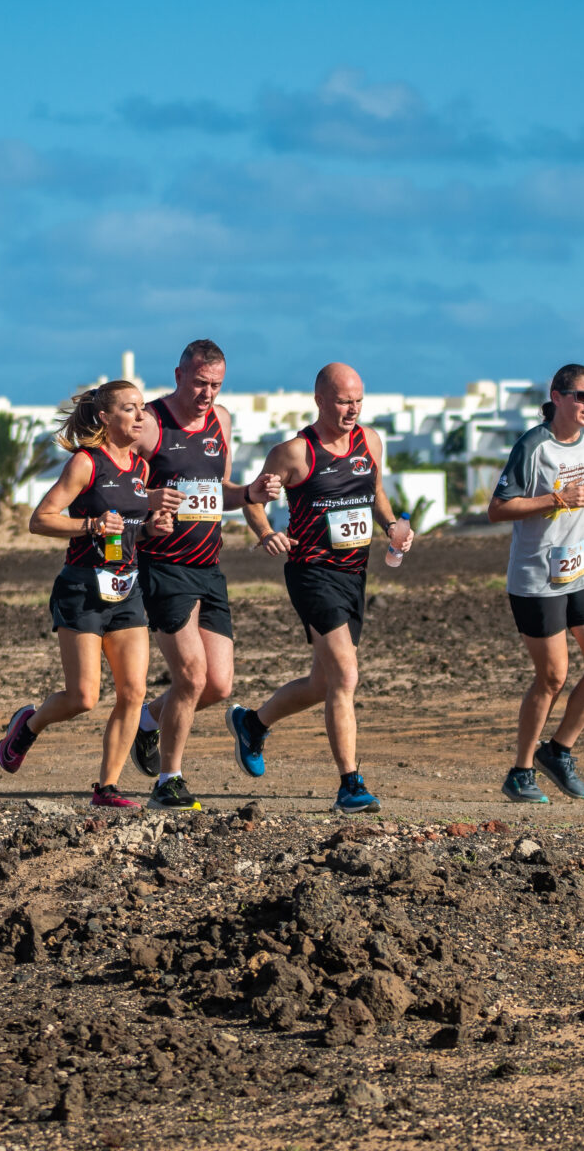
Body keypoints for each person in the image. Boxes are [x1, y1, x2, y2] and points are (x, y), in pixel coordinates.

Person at [226, 363, 415, 814]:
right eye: (344, 401)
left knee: (322, 682)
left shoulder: (370, 441)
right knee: (346, 676)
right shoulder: (294, 453)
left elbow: (375, 491)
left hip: (354, 573)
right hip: (312, 572)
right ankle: (350, 785)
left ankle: (253, 724)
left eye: (359, 401)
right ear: (320, 401)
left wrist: (392, 526)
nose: (353, 410)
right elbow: (253, 499)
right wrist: (265, 533)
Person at [0, 380, 171, 809]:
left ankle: (106, 789)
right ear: (106, 417)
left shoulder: (140, 468)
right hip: (82, 590)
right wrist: (91, 525)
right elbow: (41, 519)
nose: (141, 416)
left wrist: (150, 530)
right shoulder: (85, 463)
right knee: (83, 698)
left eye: (142, 408)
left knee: (133, 692)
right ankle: (27, 726)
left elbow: (127, 530)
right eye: (129, 408)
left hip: (127, 589)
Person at [127, 340, 282, 811]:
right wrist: (147, 506)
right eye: (199, 383)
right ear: (178, 376)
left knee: (217, 686)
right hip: (164, 566)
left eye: (215, 385)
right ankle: (168, 781)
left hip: (209, 566)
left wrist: (251, 492)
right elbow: (112, 490)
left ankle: (149, 721)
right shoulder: (150, 425)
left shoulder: (222, 421)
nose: (207, 394)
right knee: (191, 678)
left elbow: (220, 490)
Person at [486, 363, 584, 803]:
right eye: (582, 396)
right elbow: (498, 509)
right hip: (536, 578)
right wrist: (556, 500)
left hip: (582, 571)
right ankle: (520, 771)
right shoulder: (533, 445)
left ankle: (558, 751)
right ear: (558, 396)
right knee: (552, 677)